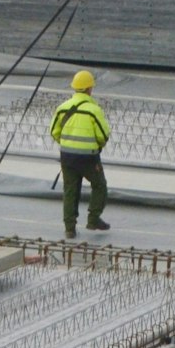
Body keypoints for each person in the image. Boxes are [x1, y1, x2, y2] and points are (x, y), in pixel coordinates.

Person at [49, 69, 112, 238]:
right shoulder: (93, 110)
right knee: (100, 186)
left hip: (67, 156)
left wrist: (67, 144)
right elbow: (103, 135)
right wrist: (97, 146)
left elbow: (54, 131)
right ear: (90, 89)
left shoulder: (63, 108)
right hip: (89, 158)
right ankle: (93, 218)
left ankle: (69, 228)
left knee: (70, 190)